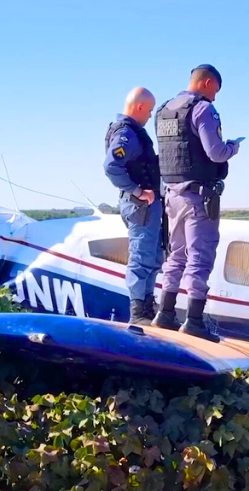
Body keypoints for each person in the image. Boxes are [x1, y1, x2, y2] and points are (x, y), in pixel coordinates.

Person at [150, 64, 242, 342]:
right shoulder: (202, 109)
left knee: (176, 255)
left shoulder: (164, 110)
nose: (215, 97)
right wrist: (234, 147)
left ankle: (164, 313)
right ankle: (194, 320)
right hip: (198, 196)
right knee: (200, 257)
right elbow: (215, 153)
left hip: (171, 195)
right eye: (216, 90)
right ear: (207, 83)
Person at [102, 86, 164, 326]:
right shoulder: (127, 135)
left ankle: (147, 305)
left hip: (144, 206)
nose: (149, 116)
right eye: (148, 111)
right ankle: (139, 312)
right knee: (141, 257)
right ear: (139, 108)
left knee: (152, 255)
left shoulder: (129, 132)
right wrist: (137, 190)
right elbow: (111, 166)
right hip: (140, 206)